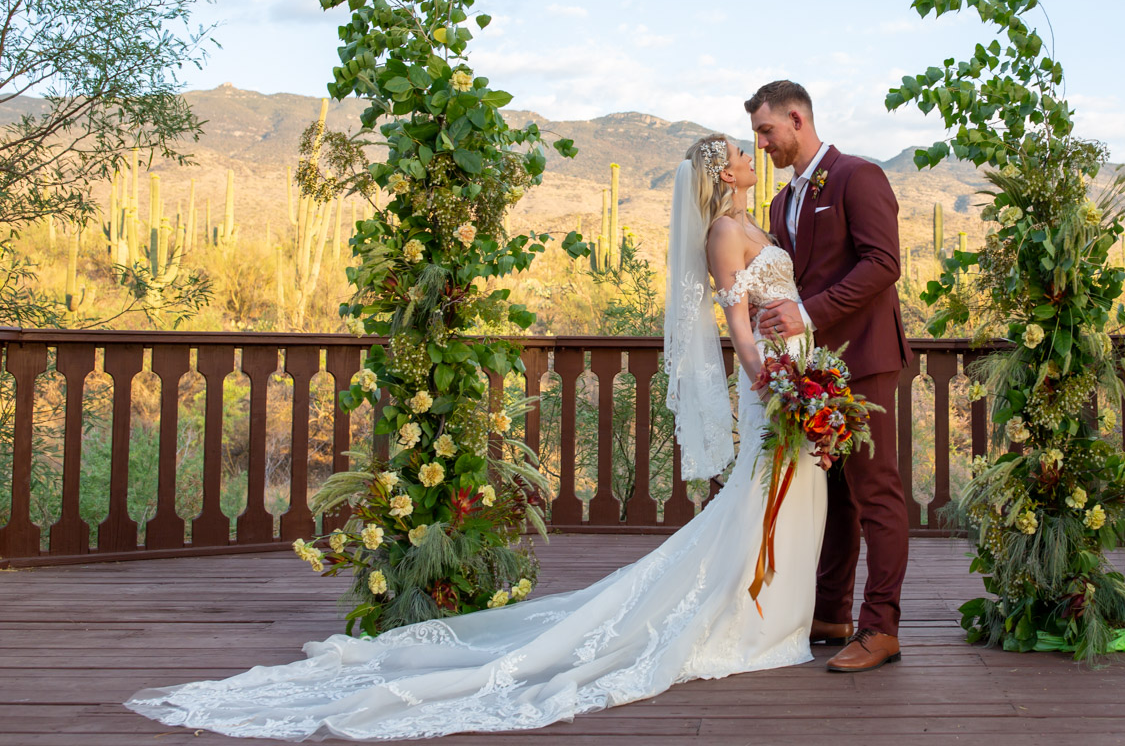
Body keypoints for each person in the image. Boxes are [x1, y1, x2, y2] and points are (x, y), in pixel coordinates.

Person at [124, 134, 826, 740]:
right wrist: (766, 377)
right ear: (721, 173)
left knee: (779, 499)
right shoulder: (724, 234)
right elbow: (736, 323)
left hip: (799, 369)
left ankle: (771, 611)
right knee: (767, 499)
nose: (747, 152)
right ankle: (755, 617)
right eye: (738, 150)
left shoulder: (751, 223)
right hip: (776, 381)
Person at [746, 80, 913, 673]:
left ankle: (882, 627)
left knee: (877, 492)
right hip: (815, 368)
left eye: (766, 130)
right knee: (836, 492)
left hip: (865, 359)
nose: (760, 143)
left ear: (797, 118)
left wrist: (808, 313)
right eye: (756, 134)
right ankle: (832, 613)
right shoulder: (778, 203)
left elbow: (883, 263)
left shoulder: (857, 177)